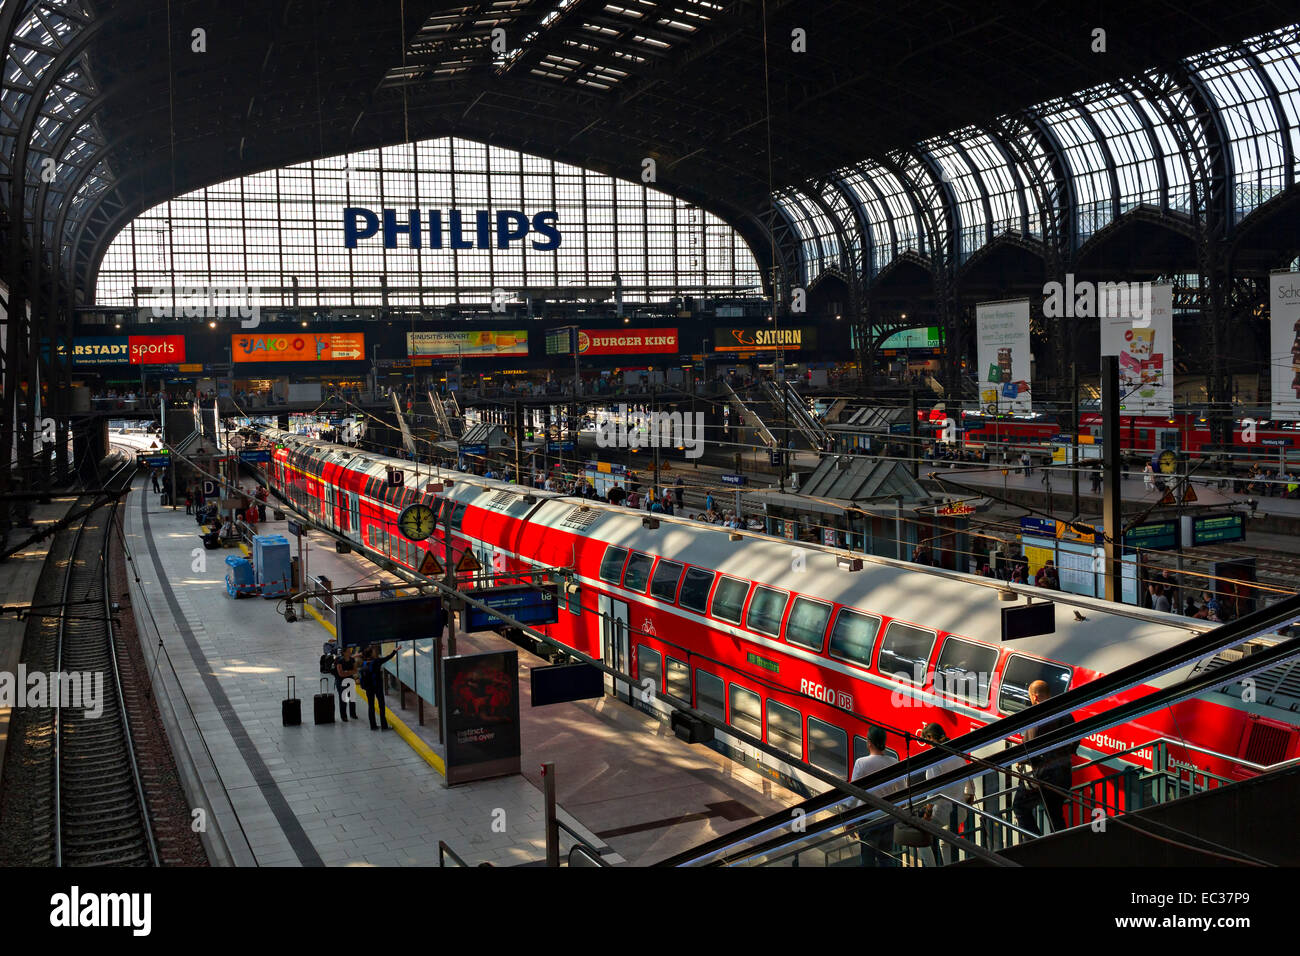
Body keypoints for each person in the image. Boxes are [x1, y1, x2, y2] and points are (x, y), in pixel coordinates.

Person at [1012, 680, 1077, 836]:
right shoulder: (1066, 714)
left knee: (1020, 808)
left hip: (1042, 777)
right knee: (1055, 814)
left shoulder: (1035, 717)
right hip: (1063, 776)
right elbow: (1074, 743)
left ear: (1035, 697)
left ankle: (1034, 841)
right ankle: (1061, 844)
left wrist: (1021, 760)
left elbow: (1030, 749)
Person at [850, 726, 902, 866]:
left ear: (869, 743)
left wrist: (848, 816)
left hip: (868, 820)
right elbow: (902, 791)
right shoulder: (894, 762)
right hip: (888, 817)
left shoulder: (861, 763)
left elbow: (853, 792)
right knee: (886, 858)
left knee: (868, 859)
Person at [918, 723, 969, 866]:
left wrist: (927, 814)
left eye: (927, 741)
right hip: (960, 811)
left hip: (942, 813)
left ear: (930, 738)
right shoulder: (958, 755)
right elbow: (970, 789)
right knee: (945, 842)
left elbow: (933, 792)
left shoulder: (935, 761)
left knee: (919, 833)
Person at [360, 645, 398, 730]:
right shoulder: (376, 661)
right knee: (381, 705)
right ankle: (384, 726)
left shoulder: (364, 663)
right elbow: (388, 657)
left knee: (371, 706)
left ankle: (373, 726)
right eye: (373, 652)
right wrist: (395, 650)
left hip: (368, 688)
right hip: (377, 687)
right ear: (371, 654)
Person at [333, 646, 359, 722]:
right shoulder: (339, 661)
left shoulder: (352, 659)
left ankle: (352, 714)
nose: (350, 652)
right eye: (348, 651)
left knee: (352, 698)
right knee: (343, 699)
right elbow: (341, 674)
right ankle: (343, 716)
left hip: (350, 680)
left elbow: (355, 670)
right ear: (344, 653)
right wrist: (349, 672)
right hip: (341, 682)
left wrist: (346, 672)